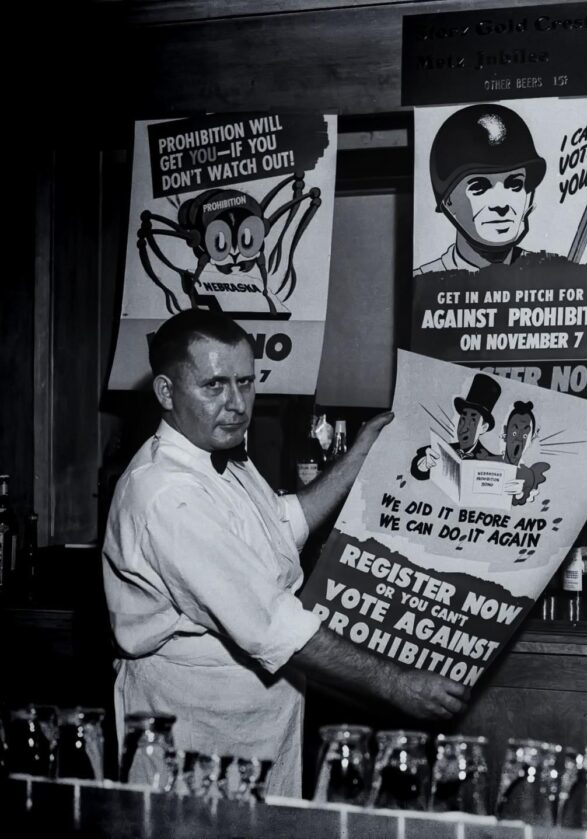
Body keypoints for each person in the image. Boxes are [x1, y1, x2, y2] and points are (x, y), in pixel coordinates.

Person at [102, 309, 468, 798]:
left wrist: (359, 455)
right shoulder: (168, 494)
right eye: (214, 386)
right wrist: (395, 683)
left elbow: (282, 524)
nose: (236, 404)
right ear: (166, 392)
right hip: (193, 724)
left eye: (246, 383)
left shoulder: (219, 455)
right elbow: (272, 625)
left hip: (256, 718)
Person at [414, 104, 547, 275]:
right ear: (448, 201)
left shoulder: (550, 275)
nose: (501, 205)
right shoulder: (424, 281)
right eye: (479, 187)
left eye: (514, 185)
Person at [410, 372, 503, 479]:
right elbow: (417, 468)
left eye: (473, 420)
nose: (464, 426)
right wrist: (424, 464)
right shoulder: (443, 451)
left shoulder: (491, 462)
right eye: (463, 418)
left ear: (484, 427)